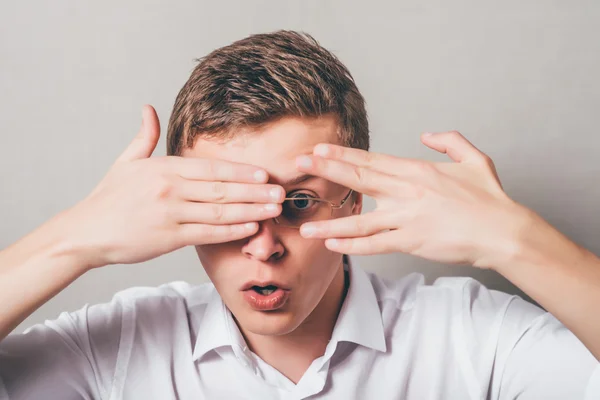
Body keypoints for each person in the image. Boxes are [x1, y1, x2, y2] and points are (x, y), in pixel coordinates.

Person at [0, 30, 598, 400]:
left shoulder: (473, 339)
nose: (262, 246)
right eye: (226, 206)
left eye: (298, 202)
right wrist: (73, 240)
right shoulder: (117, 347)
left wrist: (514, 240)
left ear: (354, 200)